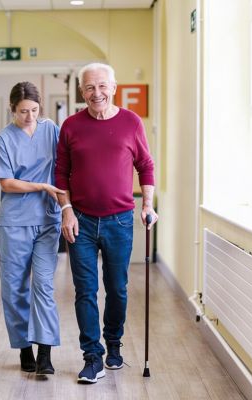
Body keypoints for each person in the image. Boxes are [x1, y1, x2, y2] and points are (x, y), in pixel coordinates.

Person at [55, 63, 158, 384]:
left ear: (113, 87)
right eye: (88, 87)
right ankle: (92, 356)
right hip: (81, 221)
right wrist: (66, 209)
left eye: (101, 86)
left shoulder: (131, 122)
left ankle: (113, 344)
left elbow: (146, 165)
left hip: (120, 221)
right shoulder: (71, 125)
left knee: (117, 289)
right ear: (81, 91)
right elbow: (60, 173)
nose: (95, 93)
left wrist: (149, 205)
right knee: (85, 291)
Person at [0, 81, 64, 375]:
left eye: (34, 110)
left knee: (43, 285)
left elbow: (64, 168)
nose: (30, 116)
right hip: (15, 222)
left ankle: (45, 352)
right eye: (23, 111)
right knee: (14, 289)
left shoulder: (52, 131)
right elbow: (7, 183)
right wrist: (42, 186)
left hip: (48, 220)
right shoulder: (3, 139)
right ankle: (24, 348)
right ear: (12, 110)